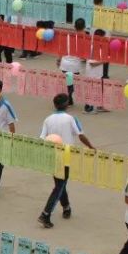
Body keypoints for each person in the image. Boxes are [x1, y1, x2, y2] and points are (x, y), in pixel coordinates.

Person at [38, 93, 95, 228]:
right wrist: (91, 146)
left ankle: (66, 207)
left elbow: (41, 138)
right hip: (66, 156)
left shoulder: (48, 119)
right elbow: (80, 135)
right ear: (66, 104)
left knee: (60, 183)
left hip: (52, 155)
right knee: (59, 185)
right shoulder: (71, 118)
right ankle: (45, 214)